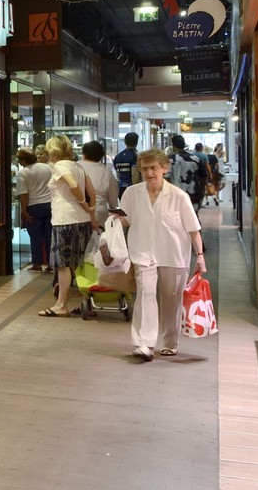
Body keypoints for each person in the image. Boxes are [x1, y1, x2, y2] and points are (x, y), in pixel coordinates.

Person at [119, 148, 206, 360]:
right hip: (142, 252)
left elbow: (193, 230)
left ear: (164, 169)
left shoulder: (179, 196)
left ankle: (169, 341)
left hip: (173, 254)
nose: (149, 173)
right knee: (146, 295)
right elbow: (125, 220)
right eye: (145, 169)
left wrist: (200, 255)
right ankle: (144, 343)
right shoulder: (132, 193)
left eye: (153, 168)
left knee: (171, 299)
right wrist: (112, 224)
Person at [39, 134, 95, 317]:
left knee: (62, 265)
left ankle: (61, 305)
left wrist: (82, 202)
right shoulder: (77, 165)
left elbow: (73, 184)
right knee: (80, 264)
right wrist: (90, 211)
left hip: (65, 220)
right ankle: (86, 303)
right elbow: (91, 191)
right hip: (82, 220)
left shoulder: (60, 166)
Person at [16, 149, 53, 271]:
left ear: (25, 160)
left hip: (33, 207)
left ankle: (37, 263)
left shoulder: (23, 173)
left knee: (36, 236)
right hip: (49, 205)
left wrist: (24, 210)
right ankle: (51, 263)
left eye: (19, 160)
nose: (19, 163)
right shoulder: (47, 167)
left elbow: (24, 194)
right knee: (49, 236)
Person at [78, 140, 120, 227]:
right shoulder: (106, 172)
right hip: (99, 214)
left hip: (76, 212)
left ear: (84, 154)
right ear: (101, 156)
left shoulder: (75, 167)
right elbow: (113, 199)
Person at [167, 134, 205, 210]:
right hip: (193, 194)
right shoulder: (195, 159)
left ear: (173, 146)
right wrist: (201, 192)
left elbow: (166, 177)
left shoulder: (170, 159)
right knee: (193, 217)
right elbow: (203, 177)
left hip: (175, 195)